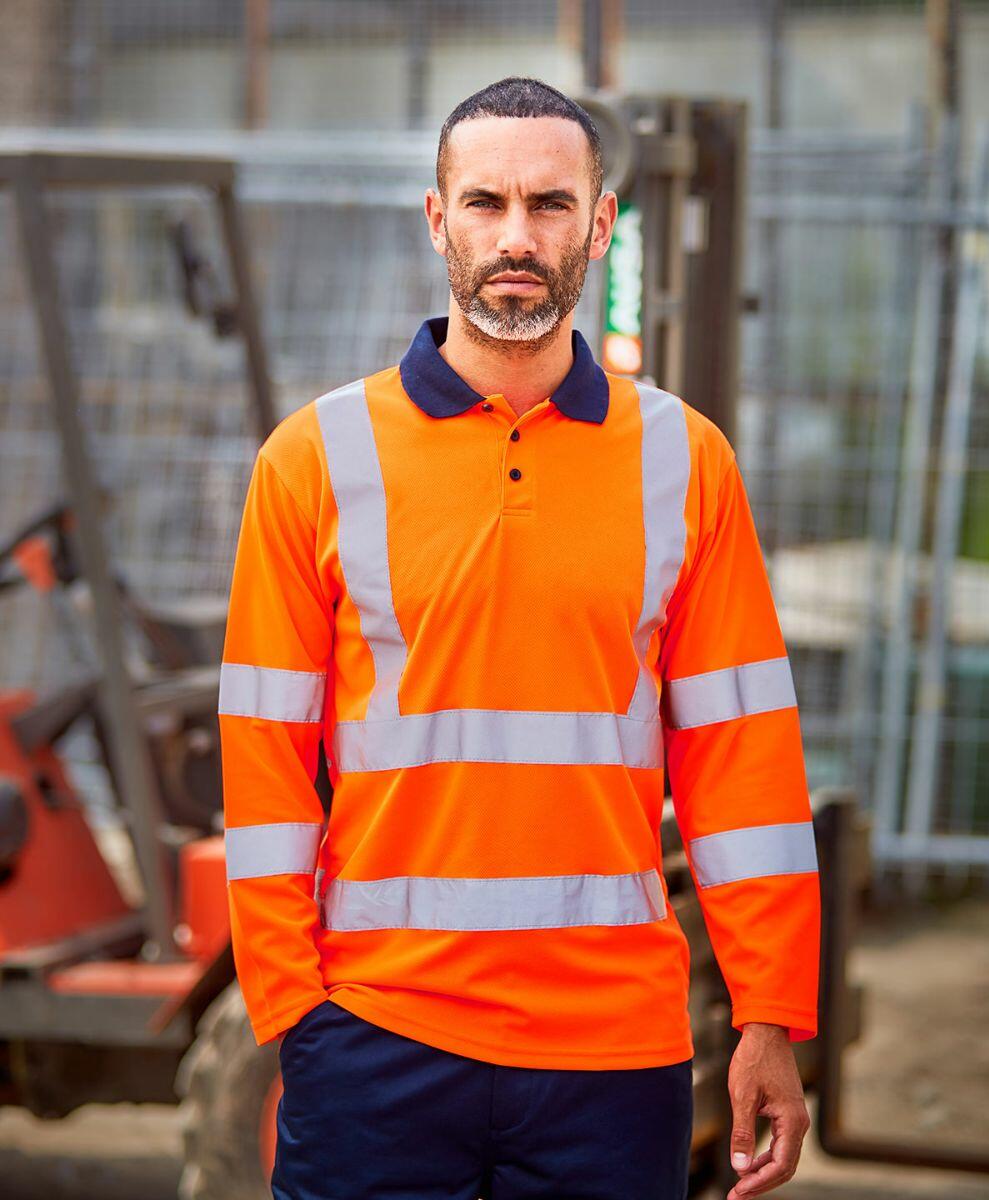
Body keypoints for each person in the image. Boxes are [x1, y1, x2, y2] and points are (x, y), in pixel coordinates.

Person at [219, 75, 820, 1200]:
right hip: (377, 1036)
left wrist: (770, 1014)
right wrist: (293, 1009)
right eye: (485, 202)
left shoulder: (686, 461)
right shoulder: (313, 458)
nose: (516, 237)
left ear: (599, 223)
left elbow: (744, 762)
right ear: (436, 218)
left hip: (615, 1053)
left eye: (549, 204)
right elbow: (262, 757)